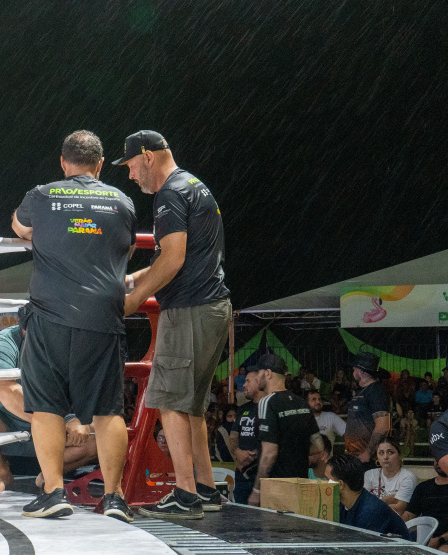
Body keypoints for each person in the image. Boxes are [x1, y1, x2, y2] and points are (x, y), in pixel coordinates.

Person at [12, 130, 137, 521]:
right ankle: (115, 498)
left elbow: (19, 228)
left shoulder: (42, 194)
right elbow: (126, 247)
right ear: (100, 165)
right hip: (102, 317)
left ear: (63, 163)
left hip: (50, 315)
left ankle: (53, 493)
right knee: (107, 409)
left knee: (47, 406)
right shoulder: (122, 201)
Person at [118, 130, 231, 519]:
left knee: (167, 400)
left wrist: (132, 300)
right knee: (192, 407)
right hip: (213, 306)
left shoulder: (169, 194)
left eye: (131, 165)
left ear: (147, 156)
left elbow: (174, 260)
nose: (131, 175)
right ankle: (206, 489)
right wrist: (134, 278)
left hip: (189, 310)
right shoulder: (194, 185)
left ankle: (185, 496)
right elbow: (179, 254)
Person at [0, 324, 97, 493]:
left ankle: (49, 475)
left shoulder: (62, 340)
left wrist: (79, 418)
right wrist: (51, 420)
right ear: (25, 326)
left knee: (98, 433)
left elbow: (83, 384)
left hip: (53, 422)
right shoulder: (6, 340)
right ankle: (1, 473)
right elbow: (4, 388)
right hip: (6, 420)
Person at [248, 354, 323, 507]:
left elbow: (269, 453)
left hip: (276, 487)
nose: (256, 378)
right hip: (301, 483)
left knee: (273, 530)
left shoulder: (266, 402)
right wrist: (293, 452)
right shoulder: (301, 402)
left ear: (268, 373)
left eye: (258, 373)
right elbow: (319, 447)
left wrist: (257, 491)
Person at [326, 454, 410, 540]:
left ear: (340, 484)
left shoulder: (371, 512)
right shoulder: (342, 505)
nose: (322, 483)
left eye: (327, 479)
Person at [344, 352, 391, 465]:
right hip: (355, 456)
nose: (353, 372)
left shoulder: (376, 391)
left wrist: (368, 453)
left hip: (365, 458)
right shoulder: (364, 391)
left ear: (362, 371)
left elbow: (383, 427)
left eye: (354, 369)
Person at [230, 366, 264, 501]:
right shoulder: (242, 409)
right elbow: (233, 436)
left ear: (258, 382)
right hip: (241, 476)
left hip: (262, 478)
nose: (244, 385)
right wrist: (237, 452)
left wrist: (254, 454)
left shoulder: (270, 407)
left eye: (248, 381)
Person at [364, 436, 418, 515]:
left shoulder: (407, 477)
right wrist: (385, 499)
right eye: (381, 453)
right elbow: (364, 505)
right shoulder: (369, 474)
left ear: (399, 455)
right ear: (377, 457)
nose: (385, 457)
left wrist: (374, 502)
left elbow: (398, 510)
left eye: (390, 452)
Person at [403, 458, 448, 550]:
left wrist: (441, 539)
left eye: (441, 458)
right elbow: (409, 516)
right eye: (436, 458)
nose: (438, 462)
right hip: (425, 538)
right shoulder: (423, 487)